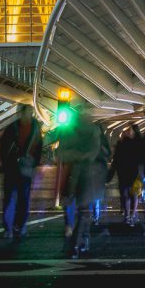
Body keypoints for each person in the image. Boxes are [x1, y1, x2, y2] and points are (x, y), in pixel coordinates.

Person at [45, 103, 102, 257]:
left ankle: (76, 239)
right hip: (83, 175)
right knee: (83, 210)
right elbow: (94, 152)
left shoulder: (76, 130)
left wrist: (74, 155)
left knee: (78, 208)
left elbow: (62, 151)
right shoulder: (91, 130)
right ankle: (80, 238)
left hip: (76, 174)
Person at [0, 104, 43, 240]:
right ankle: (9, 228)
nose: (28, 116)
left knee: (23, 199)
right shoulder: (12, 128)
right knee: (10, 199)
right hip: (12, 168)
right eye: (27, 113)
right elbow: (4, 148)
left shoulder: (35, 130)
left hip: (25, 168)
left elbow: (39, 149)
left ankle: (19, 226)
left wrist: (33, 162)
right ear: (21, 113)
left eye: (31, 113)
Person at [111, 125, 144, 225]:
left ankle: (131, 215)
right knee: (127, 194)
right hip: (125, 171)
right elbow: (116, 157)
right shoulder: (121, 143)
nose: (127, 132)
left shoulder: (137, 143)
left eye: (129, 130)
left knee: (131, 194)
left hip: (131, 171)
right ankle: (128, 215)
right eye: (127, 131)